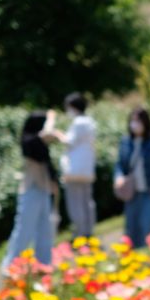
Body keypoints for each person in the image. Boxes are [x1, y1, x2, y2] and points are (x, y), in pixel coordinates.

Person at [1, 112, 59, 274]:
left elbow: (48, 164)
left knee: (45, 230)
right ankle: (10, 265)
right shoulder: (29, 140)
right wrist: (51, 118)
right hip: (31, 190)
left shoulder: (39, 142)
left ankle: (44, 264)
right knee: (23, 230)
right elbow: (46, 134)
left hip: (44, 189)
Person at [114, 107, 150, 248]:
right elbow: (120, 164)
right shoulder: (126, 142)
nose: (135, 124)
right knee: (132, 228)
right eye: (133, 121)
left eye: (138, 121)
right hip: (132, 193)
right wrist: (118, 177)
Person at [45, 92, 96, 239]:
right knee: (87, 202)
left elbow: (69, 141)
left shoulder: (79, 123)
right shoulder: (90, 122)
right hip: (87, 169)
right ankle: (88, 231)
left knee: (75, 203)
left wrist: (57, 134)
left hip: (74, 169)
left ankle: (80, 233)